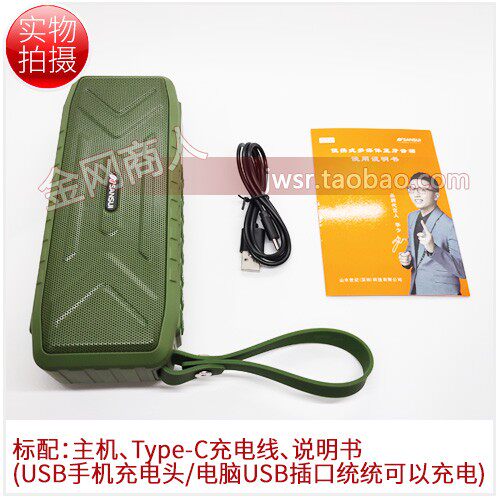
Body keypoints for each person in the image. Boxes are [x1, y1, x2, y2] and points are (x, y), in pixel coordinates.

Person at [398, 172, 466, 295]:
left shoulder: (451, 225)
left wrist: (433, 249)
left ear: (436, 196)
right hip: (416, 290)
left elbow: (462, 270)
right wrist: (407, 260)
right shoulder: (411, 217)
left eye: (423, 189)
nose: (416, 194)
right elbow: (413, 250)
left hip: (443, 295)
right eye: (412, 189)